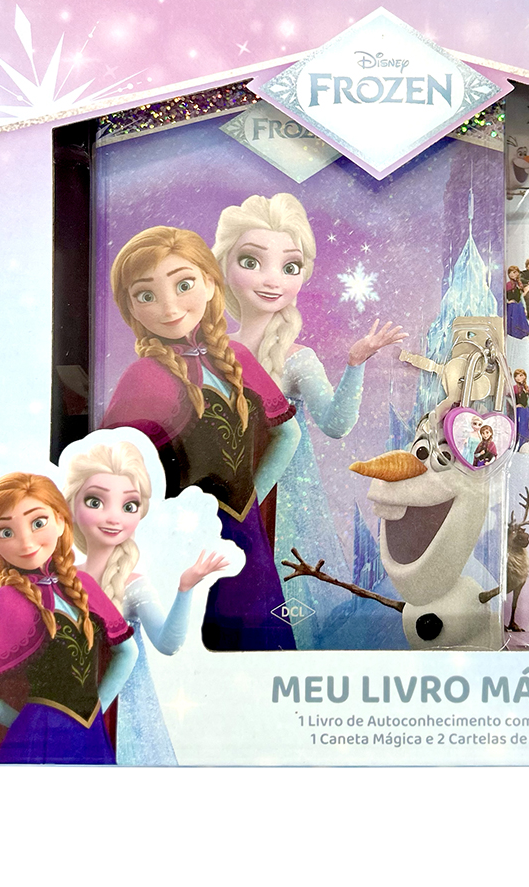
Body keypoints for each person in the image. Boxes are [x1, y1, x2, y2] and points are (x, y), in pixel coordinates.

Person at [213, 193, 405, 649]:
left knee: (279, 589)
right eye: (251, 261)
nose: (272, 280)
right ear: (224, 267)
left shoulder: (298, 359)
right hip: (222, 486)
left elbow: (336, 423)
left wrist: (355, 363)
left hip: (284, 495)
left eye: (290, 266)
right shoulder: (214, 351)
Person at [101, 226, 300, 651]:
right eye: (146, 295)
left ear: (210, 283)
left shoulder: (238, 358)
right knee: (198, 645)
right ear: (130, 307)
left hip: (246, 536)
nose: (169, 307)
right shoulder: (143, 378)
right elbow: (111, 471)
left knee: (263, 642)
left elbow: (288, 434)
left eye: (184, 284)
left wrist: (251, 497)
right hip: (182, 544)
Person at [0, 473, 137, 763]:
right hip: (38, 741)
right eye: (6, 532)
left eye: (38, 523)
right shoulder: (5, 600)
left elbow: (127, 651)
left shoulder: (84, 586)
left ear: (60, 521)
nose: (26, 543)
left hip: (90, 734)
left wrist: (99, 707)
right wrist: (21, 723)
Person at [64, 438, 227, 765]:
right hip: (67, 702)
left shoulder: (134, 586)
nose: (114, 518)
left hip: (126, 713)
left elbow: (167, 643)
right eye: (96, 502)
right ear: (72, 507)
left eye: (129, 506)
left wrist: (185, 588)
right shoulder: (63, 580)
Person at [505, 265, 529, 339]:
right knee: (513, 325)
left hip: (519, 306)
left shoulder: (519, 284)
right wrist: (508, 301)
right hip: (512, 307)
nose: (512, 274)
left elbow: (521, 297)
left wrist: (525, 308)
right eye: (511, 273)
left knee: (520, 325)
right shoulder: (508, 285)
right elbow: (504, 295)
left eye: (515, 272)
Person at [513, 368, 529, 450]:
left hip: (525, 410)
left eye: (520, 375)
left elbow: (528, 399)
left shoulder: (526, 387)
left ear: (524, 376)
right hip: (518, 410)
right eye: (516, 376)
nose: (518, 378)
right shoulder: (514, 388)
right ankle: (518, 443)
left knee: (526, 425)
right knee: (518, 426)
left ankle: (526, 443)